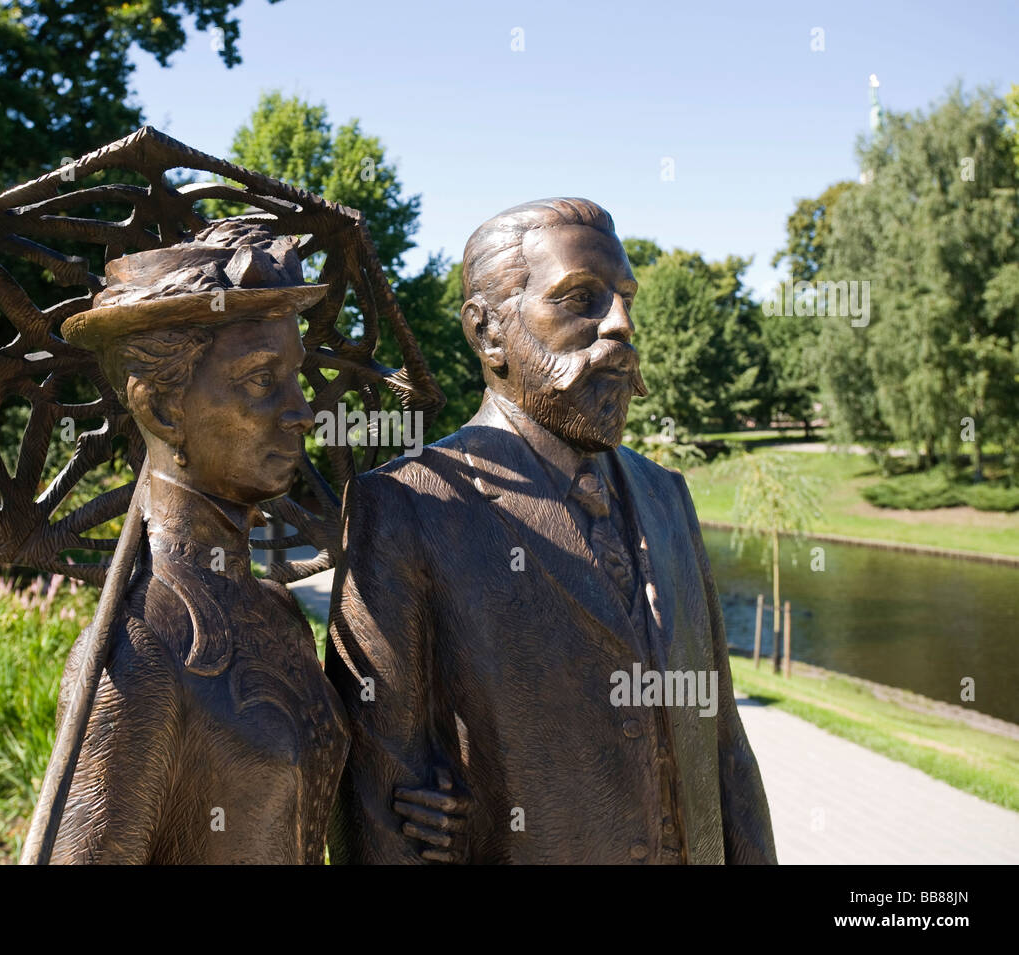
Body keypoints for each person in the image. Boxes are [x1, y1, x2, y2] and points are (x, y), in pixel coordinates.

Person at [325, 199, 777, 864]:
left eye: (624, 297)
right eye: (581, 299)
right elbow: (379, 800)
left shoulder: (667, 497)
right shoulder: (407, 506)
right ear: (487, 332)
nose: (621, 325)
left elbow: (726, 749)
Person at [51, 221, 461, 863]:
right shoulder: (137, 655)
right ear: (160, 408)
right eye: (260, 380)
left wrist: (419, 807)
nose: (301, 410)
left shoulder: (278, 611)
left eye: (295, 378)